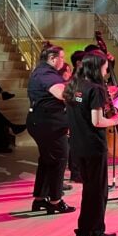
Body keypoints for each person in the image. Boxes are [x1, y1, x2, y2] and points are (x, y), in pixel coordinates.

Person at [64, 50, 118, 236]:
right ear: (98, 67)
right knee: (98, 192)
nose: (107, 72)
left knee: (89, 190)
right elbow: (97, 121)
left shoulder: (74, 85)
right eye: (106, 67)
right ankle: (95, 234)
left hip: (77, 146)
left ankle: (83, 229)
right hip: (93, 146)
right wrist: (115, 119)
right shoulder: (96, 89)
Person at [27, 43, 74, 215]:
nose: (63, 60)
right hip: (49, 124)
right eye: (62, 57)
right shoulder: (46, 73)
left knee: (47, 161)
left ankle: (39, 199)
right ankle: (55, 201)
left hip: (41, 122)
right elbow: (63, 94)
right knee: (59, 159)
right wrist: (83, 95)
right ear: (52, 59)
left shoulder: (41, 71)